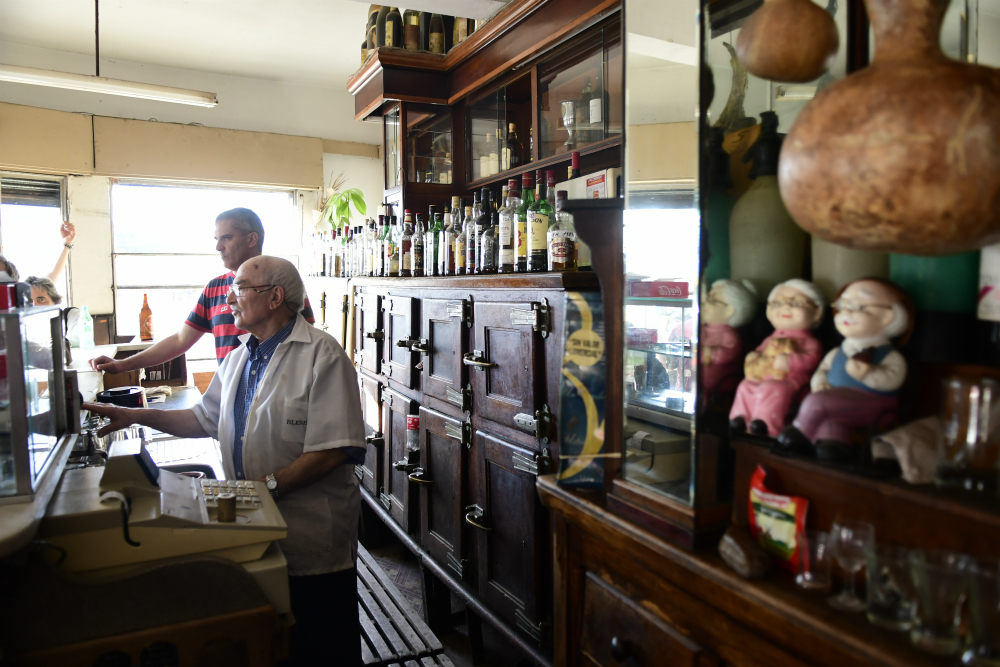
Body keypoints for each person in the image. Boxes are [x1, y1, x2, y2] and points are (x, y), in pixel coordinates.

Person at [84, 256, 364, 666]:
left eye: (241, 289)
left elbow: (334, 451)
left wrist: (262, 491)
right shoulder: (239, 356)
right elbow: (203, 418)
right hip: (257, 520)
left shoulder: (323, 355)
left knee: (323, 642)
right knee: (280, 639)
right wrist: (137, 415)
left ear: (274, 297)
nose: (230, 298)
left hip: (312, 533)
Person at [89, 208, 314, 373]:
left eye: (226, 237)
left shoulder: (282, 282)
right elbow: (179, 340)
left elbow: (307, 342)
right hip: (229, 396)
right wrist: (121, 365)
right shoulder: (214, 288)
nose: (218, 247)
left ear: (251, 239)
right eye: (217, 239)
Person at [778, 278, 913, 458]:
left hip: (874, 402)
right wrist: (820, 381)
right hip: (839, 400)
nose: (846, 312)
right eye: (843, 305)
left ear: (887, 316)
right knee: (831, 415)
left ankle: (800, 433)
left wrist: (868, 374)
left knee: (818, 402)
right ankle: (833, 444)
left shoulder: (890, 355)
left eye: (858, 306)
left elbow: (894, 378)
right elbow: (823, 370)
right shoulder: (837, 352)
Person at [729, 279, 825, 437]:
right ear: (768, 310)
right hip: (762, 375)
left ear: (817, 313)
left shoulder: (810, 342)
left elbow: (811, 360)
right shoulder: (769, 339)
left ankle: (765, 423)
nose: (786, 307)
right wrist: (755, 356)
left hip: (791, 380)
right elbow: (760, 350)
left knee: (774, 389)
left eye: (798, 303)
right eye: (778, 303)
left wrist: (788, 361)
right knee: (745, 386)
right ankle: (741, 418)